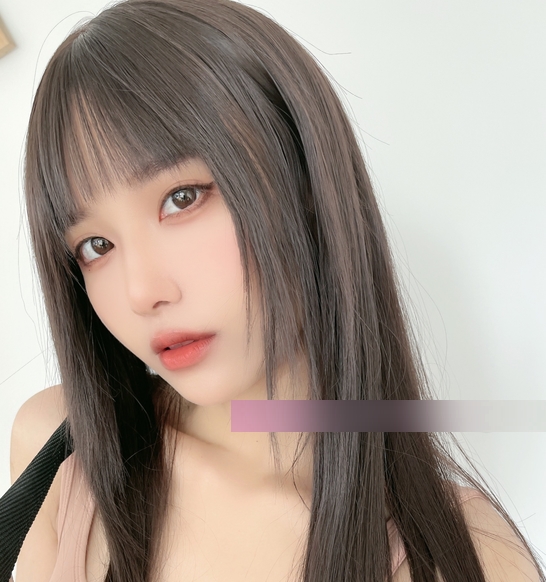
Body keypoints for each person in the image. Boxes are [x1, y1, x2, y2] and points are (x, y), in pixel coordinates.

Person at [9, 0, 544, 581]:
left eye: (181, 199)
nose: (141, 292)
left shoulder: (468, 557)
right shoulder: (59, 450)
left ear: (305, 179)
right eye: (96, 246)